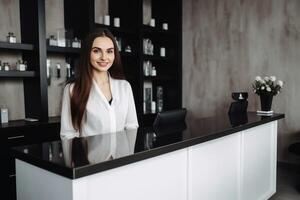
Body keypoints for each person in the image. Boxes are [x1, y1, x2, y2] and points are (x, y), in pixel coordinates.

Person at [60, 28, 138, 139]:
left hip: (123, 155)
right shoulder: (72, 89)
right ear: (88, 53)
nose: (104, 57)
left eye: (109, 51)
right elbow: (68, 135)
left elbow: (131, 127)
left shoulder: (125, 87)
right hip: (88, 156)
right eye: (96, 51)